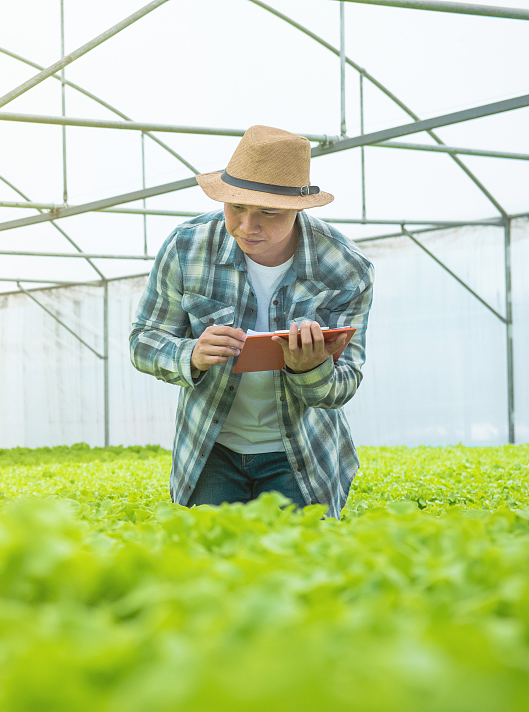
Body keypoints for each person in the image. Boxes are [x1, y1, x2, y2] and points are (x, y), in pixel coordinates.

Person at [129, 125, 374, 519]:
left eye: (268, 213)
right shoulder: (188, 247)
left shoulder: (345, 268)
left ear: (299, 208)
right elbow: (143, 341)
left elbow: (345, 382)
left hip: (302, 454)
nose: (247, 226)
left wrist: (310, 369)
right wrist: (190, 353)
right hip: (210, 451)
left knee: (296, 568)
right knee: (210, 565)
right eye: (236, 207)